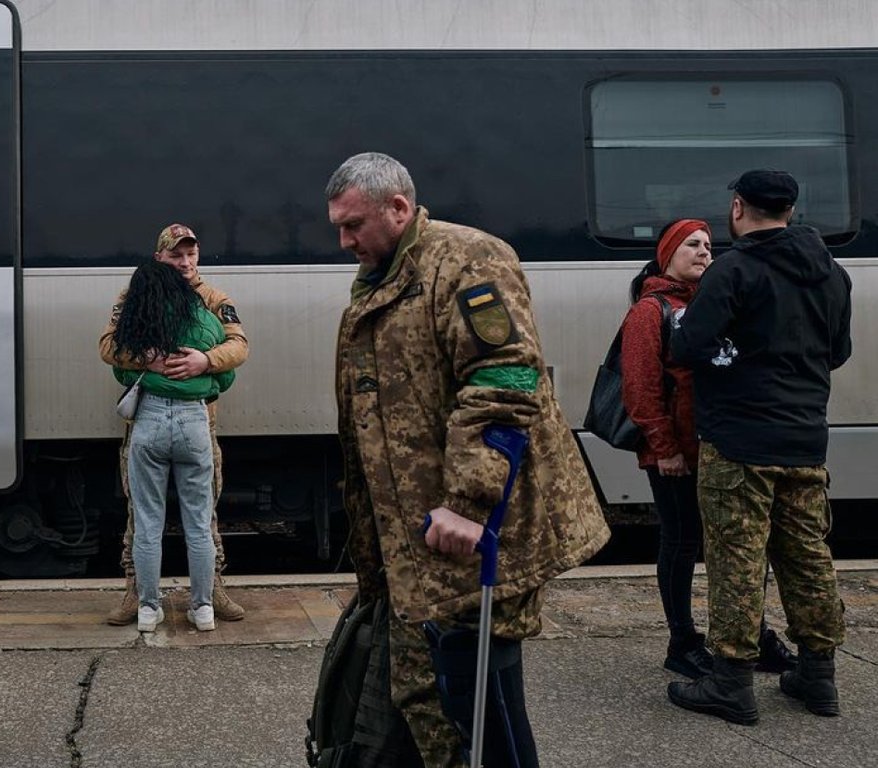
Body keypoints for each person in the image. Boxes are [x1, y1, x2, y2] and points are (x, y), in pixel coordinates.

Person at [327, 151, 610, 767]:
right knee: (420, 693)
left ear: (398, 208)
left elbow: (505, 380)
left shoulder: (468, 261)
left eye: (354, 225)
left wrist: (468, 503)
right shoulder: (386, 273)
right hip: (416, 544)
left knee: (475, 709)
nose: (344, 241)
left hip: (472, 534)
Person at [667, 170, 851, 725]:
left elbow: (687, 346)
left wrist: (730, 352)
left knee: (737, 560)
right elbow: (836, 352)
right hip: (804, 439)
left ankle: (731, 683)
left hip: (738, 440)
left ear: (739, 208)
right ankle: (818, 677)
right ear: (790, 211)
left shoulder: (733, 270)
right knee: (808, 556)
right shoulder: (833, 274)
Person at [620, 219, 797, 681]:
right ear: (667, 254)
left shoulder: (716, 304)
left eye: (707, 246)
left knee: (736, 545)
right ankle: (682, 641)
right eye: (691, 245)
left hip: (723, 448)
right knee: (681, 543)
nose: (703, 252)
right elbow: (639, 390)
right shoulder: (649, 310)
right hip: (676, 454)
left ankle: (750, 635)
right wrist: (664, 448)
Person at [99, 223, 249, 625]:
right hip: (183, 421)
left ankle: (207, 592)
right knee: (152, 515)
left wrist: (206, 361)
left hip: (187, 421)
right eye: (176, 255)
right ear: (160, 257)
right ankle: (140, 593)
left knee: (194, 514)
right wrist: (144, 358)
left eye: (191, 254)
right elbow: (108, 345)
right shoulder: (133, 296)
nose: (185, 262)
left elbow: (239, 345)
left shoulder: (215, 298)